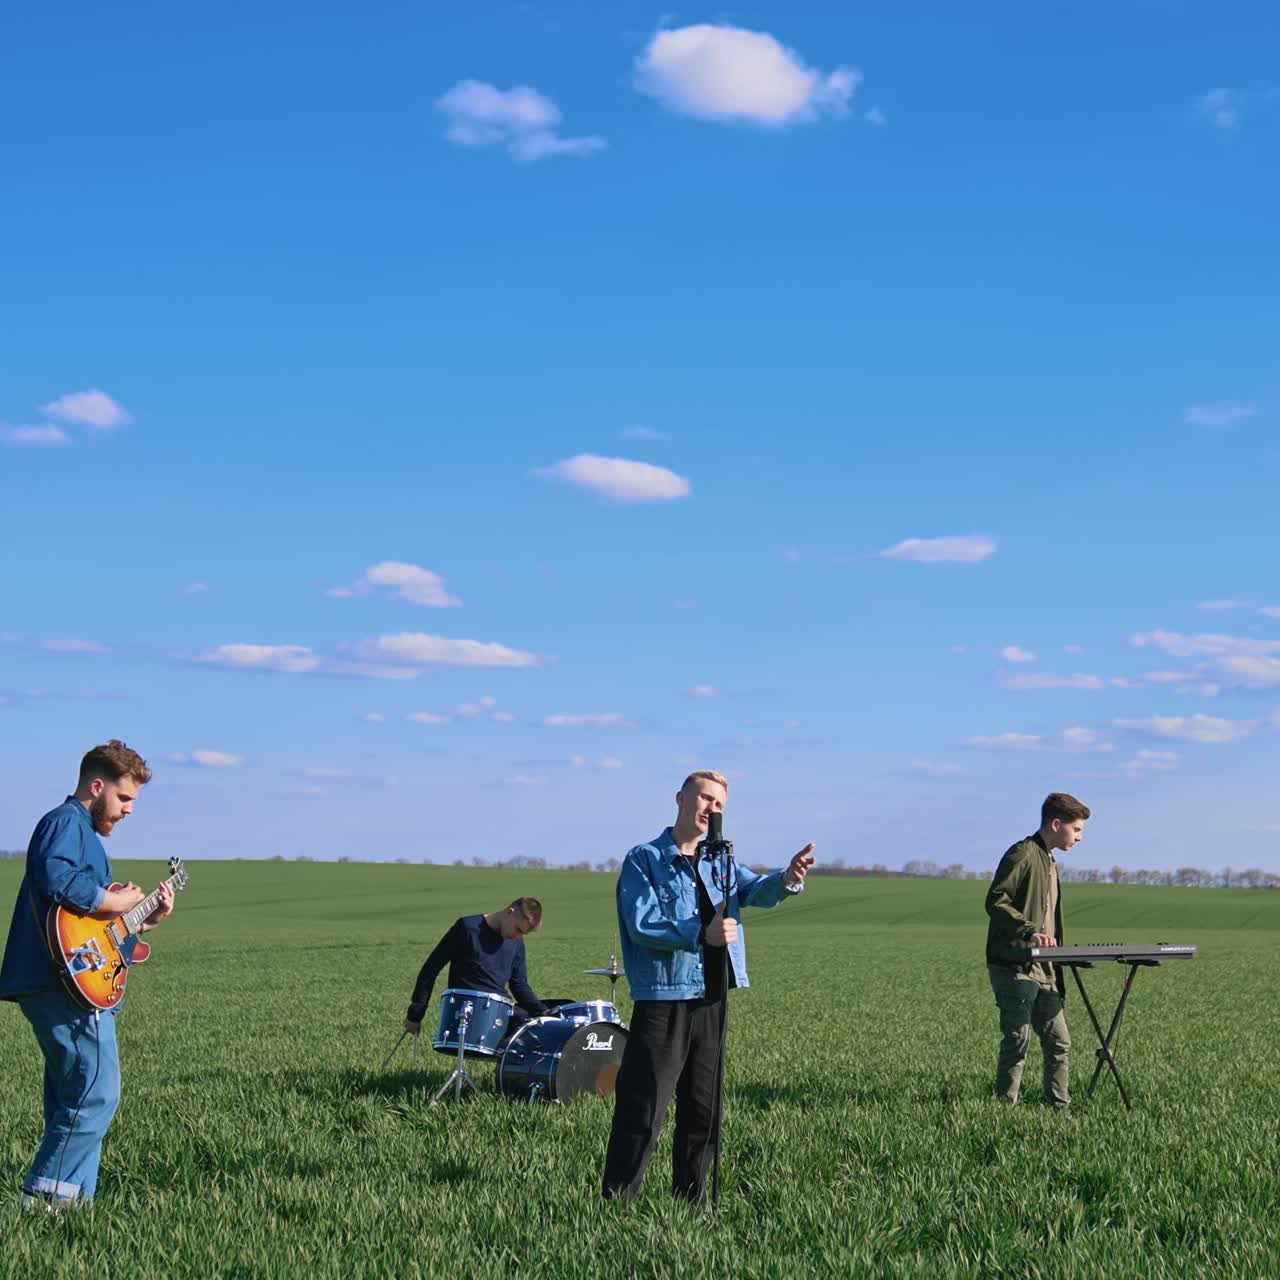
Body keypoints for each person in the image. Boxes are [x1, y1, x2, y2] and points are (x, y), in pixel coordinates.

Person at [601, 770, 816, 1203]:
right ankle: (617, 1204)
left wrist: (789, 877)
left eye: (719, 804)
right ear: (681, 798)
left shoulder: (721, 861)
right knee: (644, 1108)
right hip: (664, 998)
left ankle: (692, 1203)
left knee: (704, 1109)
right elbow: (642, 924)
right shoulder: (644, 859)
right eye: (704, 798)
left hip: (712, 996)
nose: (711, 809)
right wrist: (702, 933)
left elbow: (759, 890)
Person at [0, 741, 176, 1207]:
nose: (128, 810)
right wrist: (115, 900)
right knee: (96, 1095)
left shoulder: (83, 834)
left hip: (65, 979)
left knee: (73, 1098)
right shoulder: (65, 824)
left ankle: (74, 1207)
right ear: (96, 786)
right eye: (124, 799)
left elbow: (92, 927)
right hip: (66, 985)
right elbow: (54, 877)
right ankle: (41, 1202)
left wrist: (144, 918)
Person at [984, 791, 1090, 1110]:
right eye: (1077, 829)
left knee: (1060, 1042)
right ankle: (1003, 1110)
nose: (1080, 837)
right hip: (1014, 963)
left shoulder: (1050, 861)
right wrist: (1028, 932)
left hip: (1046, 968)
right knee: (1018, 1040)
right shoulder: (1023, 854)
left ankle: (1059, 1109)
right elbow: (996, 900)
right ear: (1056, 824)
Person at [404, 898, 549, 1042]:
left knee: (536, 1027)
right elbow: (430, 969)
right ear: (510, 912)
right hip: (463, 1012)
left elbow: (519, 984)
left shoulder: (516, 942)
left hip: (499, 1014)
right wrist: (415, 1014)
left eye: (523, 934)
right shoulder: (467, 928)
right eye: (518, 929)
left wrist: (543, 1011)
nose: (517, 936)